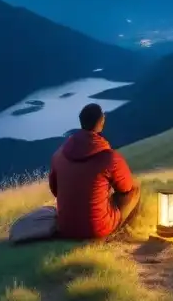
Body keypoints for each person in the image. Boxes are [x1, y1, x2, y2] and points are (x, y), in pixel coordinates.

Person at [48, 103, 140, 240]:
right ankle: (127, 231)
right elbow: (126, 187)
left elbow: (55, 190)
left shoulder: (59, 155)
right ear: (101, 121)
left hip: (65, 227)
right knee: (135, 189)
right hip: (96, 229)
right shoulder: (109, 158)